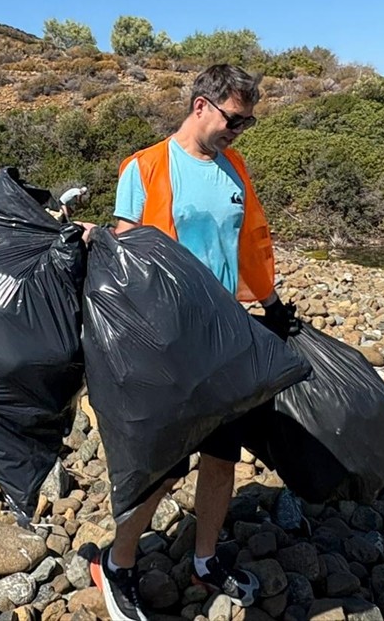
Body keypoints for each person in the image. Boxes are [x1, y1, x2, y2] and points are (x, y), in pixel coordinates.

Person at [90, 64, 299, 621]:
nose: (240, 130)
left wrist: (271, 302)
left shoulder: (235, 169)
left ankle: (205, 558)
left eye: (248, 122)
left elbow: (250, 240)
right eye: (235, 118)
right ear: (202, 104)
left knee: (222, 453)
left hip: (226, 332)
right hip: (167, 338)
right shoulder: (145, 167)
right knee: (164, 462)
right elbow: (127, 253)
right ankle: (118, 561)